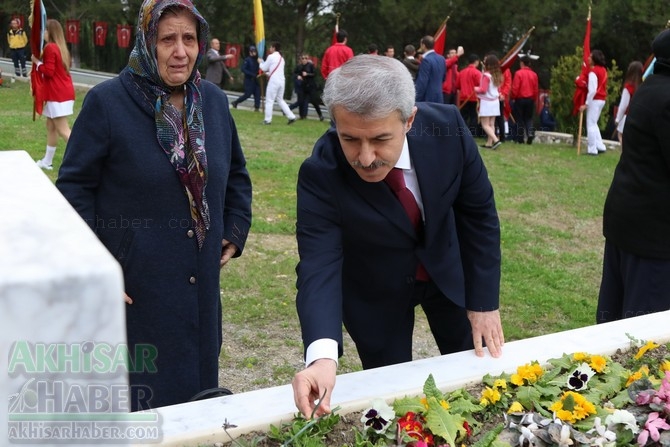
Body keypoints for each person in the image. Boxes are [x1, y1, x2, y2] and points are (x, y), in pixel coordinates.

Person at [55, 0, 252, 411]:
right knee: (142, 405)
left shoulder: (212, 102)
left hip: (199, 289)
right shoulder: (108, 103)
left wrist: (233, 233)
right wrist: (96, 266)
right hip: (137, 287)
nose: (180, 51)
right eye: (167, 39)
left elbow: (236, 175)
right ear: (147, 42)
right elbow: (74, 189)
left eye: (189, 39)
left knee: (196, 402)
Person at [291, 55, 503, 419]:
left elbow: (478, 214)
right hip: (375, 290)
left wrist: (484, 302)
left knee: (478, 380)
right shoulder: (320, 173)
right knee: (393, 404)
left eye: (380, 139)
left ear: (410, 120)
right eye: (350, 139)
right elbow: (318, 263)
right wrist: (322, 357)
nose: (366, 157)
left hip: (447, 275)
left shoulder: (448, 129)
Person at [596, 29, 670, 324]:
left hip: (628, 222)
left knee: (613, 324)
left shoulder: (651, 87)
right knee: (642, 338)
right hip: (651, 235)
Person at [31, 19, 75, 171]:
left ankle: (82, 159)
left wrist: (37, 62)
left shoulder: (50, 47)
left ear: (50, 32)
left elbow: (48, 72)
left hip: (58, 94)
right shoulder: (60, 47)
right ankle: (47, 161)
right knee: (51, 126)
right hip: (62, 93)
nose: (42, 33)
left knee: (63, 130)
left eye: (45, 30)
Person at [258, 41, 297, 125]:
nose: (269, 49)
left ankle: (267, 120)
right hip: (281, 81)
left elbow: (264, 67)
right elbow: (275, 71)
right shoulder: (281, 58)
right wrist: (268, 73)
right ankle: (291, 116)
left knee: (269, 100)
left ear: (274, 48)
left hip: (274, 81)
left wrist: (260, 62)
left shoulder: (271, 57)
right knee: (280, 99)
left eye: (271, 47)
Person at [579, 49, 608, 155]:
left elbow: (592, 90)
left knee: (590, 124)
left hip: (595, 99)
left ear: (594, 59)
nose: (588, 58)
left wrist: (586, 104)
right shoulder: (603, 70)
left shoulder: (593, 71)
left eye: (590, 56)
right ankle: (600, 146)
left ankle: (592, 149)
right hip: (602, 99)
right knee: (594, 123)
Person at [475, 54, 502, 149]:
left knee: (485, 124)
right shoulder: (497, 75)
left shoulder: (486, 75)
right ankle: (489, 143)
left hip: (487, 102)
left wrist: (475, 88)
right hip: (495, 101)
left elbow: (483, 89)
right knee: (491, 124)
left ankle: (495, 140)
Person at [511, 54, 539, 144]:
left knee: (519, 119)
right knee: (528, 118)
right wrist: (534, 98)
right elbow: (536, 89)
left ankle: (520, 138)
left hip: (520, 99)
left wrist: (513, 97)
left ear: (522, 63)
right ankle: (530, 133)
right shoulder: (534, 74)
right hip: (530, 99)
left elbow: (515, 87)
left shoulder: (518, 73)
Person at [614, 60, 643, 145]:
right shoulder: (643, 86)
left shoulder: (629, 87)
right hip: (639, 117)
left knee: (621, 136)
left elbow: (623, 105)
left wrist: (618, 119)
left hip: (628, 116)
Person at [414, 35, 446, 103]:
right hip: (439, 97)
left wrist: (415, 99)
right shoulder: (442, 59)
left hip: (427, 98)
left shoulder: (426, 60)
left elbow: (422, 82)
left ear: (423, 45)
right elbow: (443, 78)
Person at [457, 53, 481, 136]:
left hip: (463, 98)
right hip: (473, 98)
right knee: (473, 117)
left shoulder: (462, 72)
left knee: (463, 116)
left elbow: (458, 86)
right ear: (476, 61)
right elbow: (480, 86)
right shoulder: (477, 73)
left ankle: (463, 133)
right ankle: (472, 133)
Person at [231, 45, 260, 111]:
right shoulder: (247, 60)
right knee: (247, 94)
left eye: (255, 51)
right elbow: (243, 69)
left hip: (256, 80)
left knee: (257, 94)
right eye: (252, 51)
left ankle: (257, 108)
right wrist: (251, 74)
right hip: (249, 80)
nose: (254, 53)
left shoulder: (257, 60)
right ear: (250, 52)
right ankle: (235, 102)